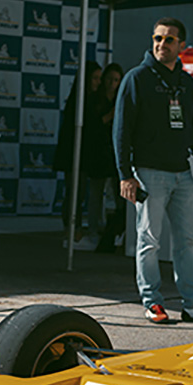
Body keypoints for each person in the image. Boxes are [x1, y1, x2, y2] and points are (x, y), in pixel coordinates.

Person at [114, 17, 193, 324]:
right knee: (149, 241)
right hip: (149, 172)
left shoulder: (186, 83)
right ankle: (152, 302)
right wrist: (125, 174)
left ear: (181, 46)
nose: (161, 44)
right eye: (157, 38)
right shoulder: (137, 78)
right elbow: (121, 130)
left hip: (183, 174)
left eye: (168, 39)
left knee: (187, 242)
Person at [55, 61, 102, 247]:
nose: (98, 82)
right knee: (75, 193)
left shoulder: (91, 98)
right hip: (74, 154)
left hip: (85, 154)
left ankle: (74, 229)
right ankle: (72, 230)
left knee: (79, 193)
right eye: (95, 78)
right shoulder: (79, 100)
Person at [84, 63, 124, 251]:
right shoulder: (94, 99)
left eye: (116, 80)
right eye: (109, 79)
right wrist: (110, 115)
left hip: (115, 153)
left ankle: (117, 230)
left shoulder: (121, 99)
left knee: (120, 195)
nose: (112, 84)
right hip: (98, 152)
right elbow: (91, 125)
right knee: (96, 194)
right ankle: (93, 229)